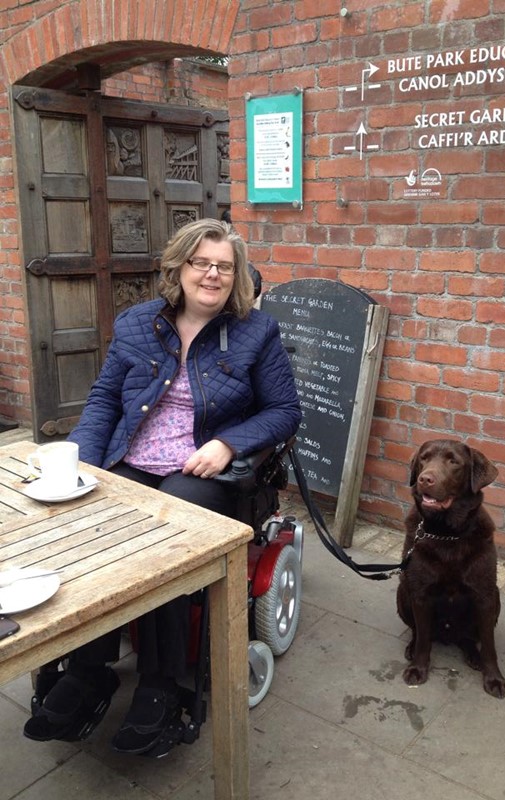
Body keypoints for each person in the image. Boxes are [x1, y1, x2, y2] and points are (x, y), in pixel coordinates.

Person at [24, 218, 301, 755]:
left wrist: (229, 443)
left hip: (206, 473)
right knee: (91, 526)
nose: (213, 274)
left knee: (161, 537)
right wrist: (78, 458)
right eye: (202, 262)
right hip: (135, 461)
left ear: (238, 276)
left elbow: (285, 410)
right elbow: (106, 400)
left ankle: (161, 683)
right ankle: (89, 670)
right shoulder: (136, 323)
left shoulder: (254, 332)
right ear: (179, 267)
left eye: (225, 266)